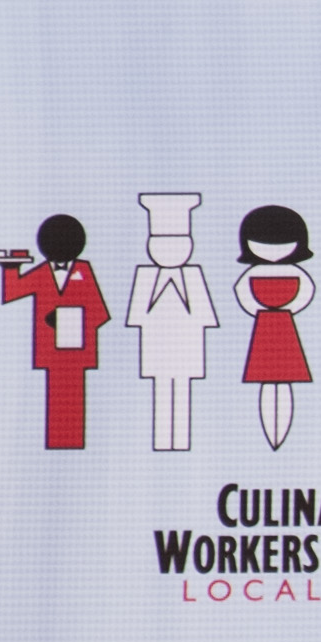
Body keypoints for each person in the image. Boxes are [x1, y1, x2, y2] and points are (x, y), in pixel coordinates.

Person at [0, 212, 108, 450]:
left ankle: (72, 446)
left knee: (74, 403)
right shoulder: (42, 273)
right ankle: (60, 446)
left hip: (77, 353)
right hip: (51, 352)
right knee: (57, 404)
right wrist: (10, 266)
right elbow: (12, 292)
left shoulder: (84, 271)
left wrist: (68, 321)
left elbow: (99, 314)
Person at [127, 191, 215, 453]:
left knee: (182, 394)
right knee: (163, 394)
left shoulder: (194, 276)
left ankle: (181, 443)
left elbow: (207, 316)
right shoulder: (144, 277)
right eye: (162, 244)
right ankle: (163, 444)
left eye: (178, 244)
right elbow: (136, 317)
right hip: (157, 348)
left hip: (188, 347)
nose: (170, 251)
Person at [231, 204, 315, 451]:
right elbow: (243, 294)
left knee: (285, 382)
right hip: (264, 332)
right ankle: (271, 436)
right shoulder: (251, 274)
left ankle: (280, 436)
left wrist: (286, 311)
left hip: (286, 330)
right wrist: (263, 314)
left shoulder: (296, 273)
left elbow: (306, 293)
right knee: (267, 383)